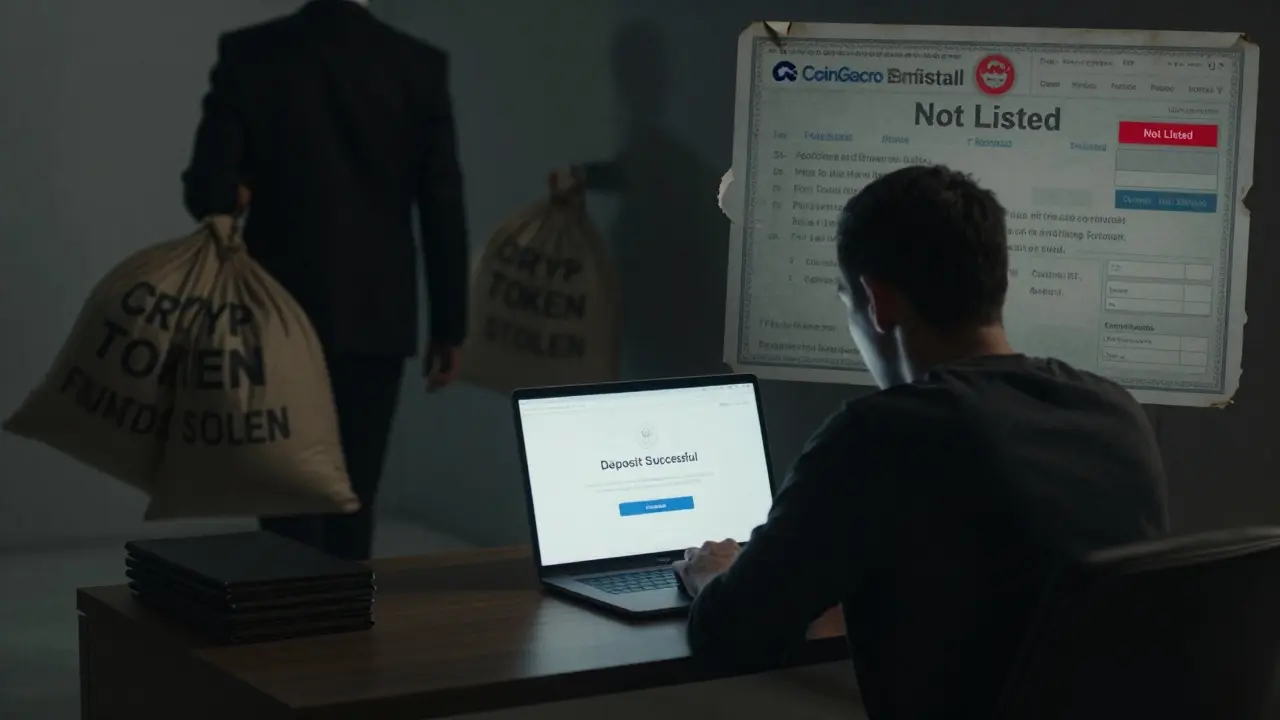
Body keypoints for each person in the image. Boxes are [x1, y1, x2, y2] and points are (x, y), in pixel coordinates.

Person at [673, 165, 1169, 718]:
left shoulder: (880, 434)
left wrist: (716, 574)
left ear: (877, 303)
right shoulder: (1113, 409)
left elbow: (729, 632)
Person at [181, 0, 468, 561]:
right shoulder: (418, 64)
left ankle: (289, 635)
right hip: (377, 310)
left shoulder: (250, 52)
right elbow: (441, 204)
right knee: (352, 495)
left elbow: (206, 191)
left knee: (284, 493)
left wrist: (234, 190)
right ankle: (345, 633)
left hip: (273, 310)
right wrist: (450, 325)